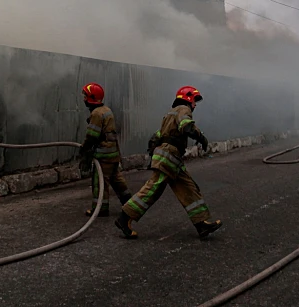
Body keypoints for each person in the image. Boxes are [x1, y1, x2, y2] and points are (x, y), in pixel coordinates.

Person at [116, 86, 223, 239]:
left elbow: (157, 135)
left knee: (188, 188)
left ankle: (201, 224)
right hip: (169, 157)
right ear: (188, 98)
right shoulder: (183, 109)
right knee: (153, 189)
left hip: (172, 158)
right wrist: (201, 137)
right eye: (194, 100)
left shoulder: (170, 113)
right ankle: (124, 218)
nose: (195, 104)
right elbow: (186, 125)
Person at [79, 83, 132, 217]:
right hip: (113, 154)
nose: (84, 99)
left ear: (91, 97)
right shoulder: (106, 110)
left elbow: (92, 135)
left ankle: (100, 208)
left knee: (99, 182)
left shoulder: (97, 114)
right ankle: (130, 204)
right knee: (116, 180)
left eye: (85, 96)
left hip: (103, 155)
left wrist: (84, 149)